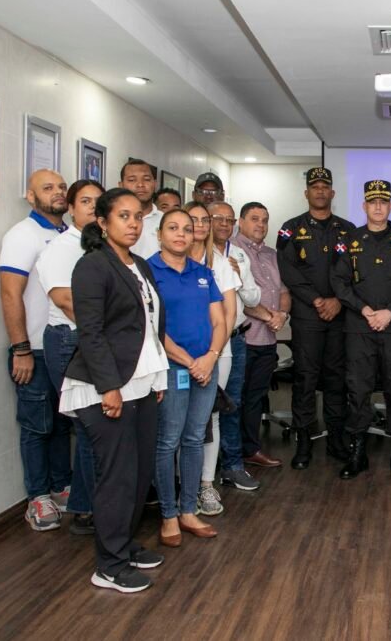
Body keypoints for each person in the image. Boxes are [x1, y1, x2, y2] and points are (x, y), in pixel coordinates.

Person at [59, 187, 167, 593]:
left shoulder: (139, 264)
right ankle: (108, 565)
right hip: (105, 386)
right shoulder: (92, 266)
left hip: (141, 383)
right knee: (117, 477)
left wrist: (155, 377)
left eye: (138, 217)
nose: (134, 224)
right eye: (124, 216)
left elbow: (151, 326)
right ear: (102, 223)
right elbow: (91, 332)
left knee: (140, 475)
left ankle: (123, 545)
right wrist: (109, 387)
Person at [331, 179, 391, 479]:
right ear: (364, 206)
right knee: (358, 390)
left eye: (383, 202)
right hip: (359, 327)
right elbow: (339, 282)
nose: (378, 207)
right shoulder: (350, 240)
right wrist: (364, 309)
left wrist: (390, 312)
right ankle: (357, 454)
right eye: (372, 202)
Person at [148, 209, 227, 546]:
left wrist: (209, 358)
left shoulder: (203, 273)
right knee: (168, 442)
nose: (181, 234)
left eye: (186, 228)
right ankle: (168, 515)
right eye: (173, 228)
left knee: (195, 438)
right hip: (172, 368)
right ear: (160, 234)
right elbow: (152, 327)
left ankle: (187, 510)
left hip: (205, 367)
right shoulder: (147, 271)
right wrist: (189, 361)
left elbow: (220, 321)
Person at [0, 168, 71, 531]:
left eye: (61, 187)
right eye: (48, 188)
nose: (58, 193)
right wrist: (21, 348)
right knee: (36, 425)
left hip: (64, 347)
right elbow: (10, 293)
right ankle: (37, 497)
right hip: (36, 349)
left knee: (61, 424)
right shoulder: (22, 235)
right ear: (31, 196)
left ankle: (61, 487)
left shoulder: (66, 234)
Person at [36, 178, 105, 535]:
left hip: (95, 340)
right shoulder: (62, 248)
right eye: (86, 201)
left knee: (96, 426)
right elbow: (67, 301)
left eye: (99, 201)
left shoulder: (101, 246)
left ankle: (88, 503)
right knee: (90, 424)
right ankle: (87, 509)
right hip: (70, 340)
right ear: (73, 208)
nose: (93, 207)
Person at [277, 167, 356, 468]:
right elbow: (288, 270)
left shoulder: (348, 230)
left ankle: (337, 439)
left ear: (333, 193)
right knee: (305, 379)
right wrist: (317, 299)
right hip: (307, 316)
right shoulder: (290, 228)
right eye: (315, 187)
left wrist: (337, 300)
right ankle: (304, 443)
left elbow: (352, 272)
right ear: (306, 193)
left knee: (337, 380)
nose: (320, 191)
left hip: (340, 315)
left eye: (326, 187)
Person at [184, 202, 238, 517]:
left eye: (206, 220)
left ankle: (206, 484)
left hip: (218, 352)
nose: (201, 225)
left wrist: (212, 353)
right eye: (194, 220)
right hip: (176, 354)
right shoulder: (164, 261)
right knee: (176, 422)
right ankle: (181, 484)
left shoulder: (220, 263)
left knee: (209, 419)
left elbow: (228, 314)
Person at [208, 201, 263, 492]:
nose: (225, 225)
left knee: (231, 404)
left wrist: (238, 278)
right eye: (219, 219)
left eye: (229, 221)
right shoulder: (197, 253)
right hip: (204, 343)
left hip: (236, 339)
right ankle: (204, 472)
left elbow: (253, 299)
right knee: (203, 408)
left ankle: (232, 466)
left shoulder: (238, 254)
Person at [232, 202, 291, 468]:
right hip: (243, 338)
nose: (261, 225)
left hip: (268, 340)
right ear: (240, 222)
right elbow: (236, 296)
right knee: (236, 400)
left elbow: (283, 292)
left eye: (265, 220)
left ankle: (250, 450)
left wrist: (282, 316)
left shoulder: (272, 254)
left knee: (255, 397)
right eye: (254, 219)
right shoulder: (231, 251)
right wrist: (269, 316)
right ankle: (231, 455)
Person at [118, 158, 162, 258]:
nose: (140, 185)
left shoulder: (166, 221)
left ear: (155, 184)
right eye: (132, 180)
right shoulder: (112, 221)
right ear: (121, 185)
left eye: (146, 179)